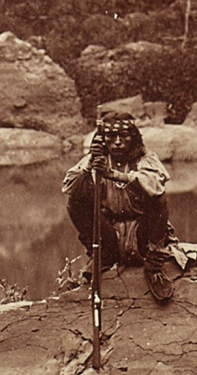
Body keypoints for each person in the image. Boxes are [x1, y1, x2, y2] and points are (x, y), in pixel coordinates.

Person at [63, 112, 177, 304]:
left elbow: (156, 185)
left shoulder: (145, 158)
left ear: (133, 137)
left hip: (142, 232)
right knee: (75, 200)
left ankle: (153, 265)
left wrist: (116, 175)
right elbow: (68, 187)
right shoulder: (97, 160)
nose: (117, 142)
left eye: (123, 137)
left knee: (159, 199)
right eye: (110, 137)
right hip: (110, 234)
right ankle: (103, 256)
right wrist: (90, 163)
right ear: (103, 139)